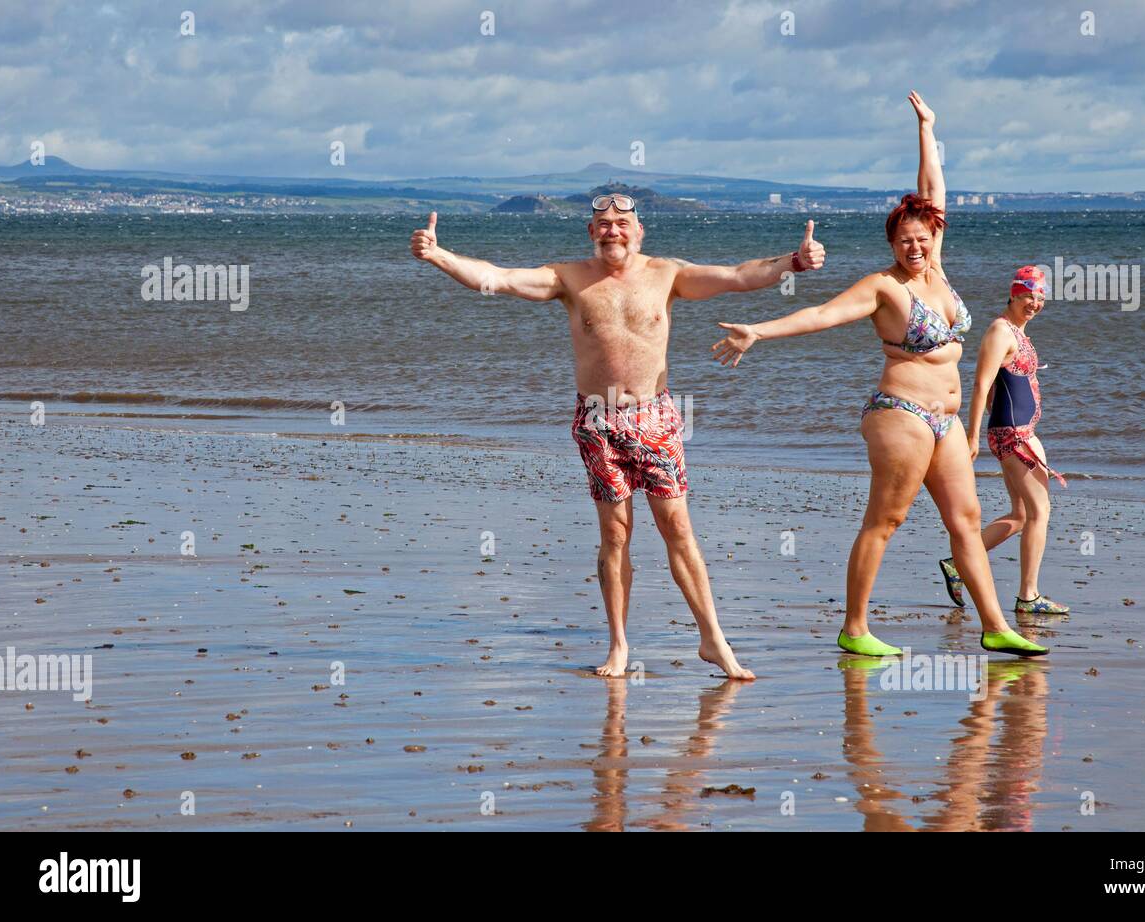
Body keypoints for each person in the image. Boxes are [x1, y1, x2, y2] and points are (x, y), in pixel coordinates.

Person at [412, 195, 828, 678]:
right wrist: (439, 255)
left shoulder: (667, 274)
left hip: (655, 418)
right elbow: (496, 277)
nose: (613, 231)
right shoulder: (568, 277)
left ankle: (714, 641)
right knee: (614, 534)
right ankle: (619, 645)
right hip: (597, 421)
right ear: (591, 233)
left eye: (622, 223)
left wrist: (795, 262)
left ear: (640, 230)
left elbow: (739, 275)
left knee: (677, 528)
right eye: (603, 224)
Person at [711, 91, 1048, 658]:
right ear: (893, 244)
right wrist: (758, 331)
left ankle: (995, 624)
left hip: (944, 420)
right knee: (886, 519)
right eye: (905, 239)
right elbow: (821, 315)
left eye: (923, 236)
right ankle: (856, 627)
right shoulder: (882, 287)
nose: (915, 245)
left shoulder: (937, 271)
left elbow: (932, 192)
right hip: (901, 415)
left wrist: (927, 128)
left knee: (966, 520)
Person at [938, 266, 1070, 614]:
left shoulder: (1017, 332)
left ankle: (958, 564)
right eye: (1029, 295)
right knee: (1041, 510)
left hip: (1019, 431)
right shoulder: (1000, 331)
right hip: (1014, 434)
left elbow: (1001, 386)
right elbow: (982, 383)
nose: (1035, 303)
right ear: (1013, 294)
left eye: (1040, 297)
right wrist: (973, 435)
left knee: (1023, 513)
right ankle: (1028, 596)